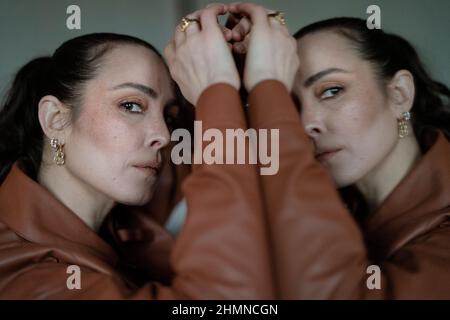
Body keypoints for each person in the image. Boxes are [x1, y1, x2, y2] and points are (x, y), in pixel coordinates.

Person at [0, 4, 274, 298]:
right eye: (131, 105)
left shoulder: (125, 215)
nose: (165, 135)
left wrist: (237, 82)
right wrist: (218, 90)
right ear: (56, 120)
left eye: (167, 117)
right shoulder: (32, 279)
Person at [227, 3, 450, 298]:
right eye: (290, 104)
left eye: (331, 90)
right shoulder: (336, 206)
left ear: (399, 94)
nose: (306, 124)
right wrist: (234, 87)